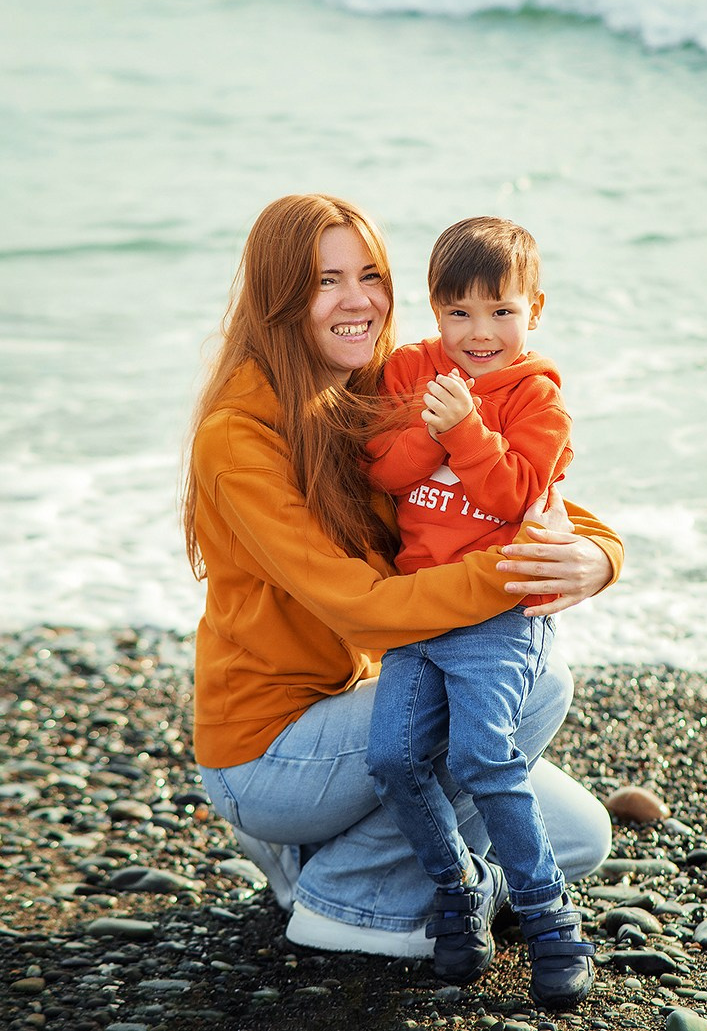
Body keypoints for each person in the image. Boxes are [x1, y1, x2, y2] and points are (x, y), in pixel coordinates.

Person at [182, 193, 624, 970]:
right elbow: (365, 608)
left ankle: (322, 858)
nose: (357, 300)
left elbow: (517, 491)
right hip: (271, 751)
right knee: (538, 680)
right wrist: (514, 570)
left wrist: (597, 553)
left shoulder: (369, 388)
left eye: (370, 275)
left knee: (583, 836)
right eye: (326, 281)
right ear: (279, 296)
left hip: (358, 704)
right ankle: (345, 898)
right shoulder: (239, 436)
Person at [365, 216, 594, 1007]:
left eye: (501, 310)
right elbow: (384, 468)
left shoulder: (538, 397)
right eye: (459, 312)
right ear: (435, 310)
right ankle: (460, 886)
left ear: (535, 308)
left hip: (497, 614)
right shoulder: (411, 369)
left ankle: (552, 918)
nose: (480, 332)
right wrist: (436, 435)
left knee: (482, 757)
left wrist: (463, 428)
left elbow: (514, 494)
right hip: (418, 611)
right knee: (391, 758)